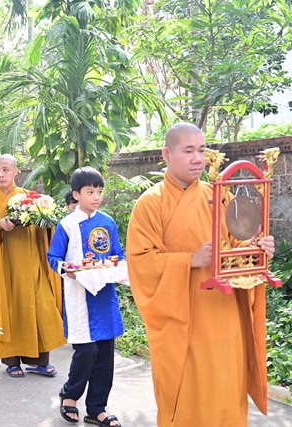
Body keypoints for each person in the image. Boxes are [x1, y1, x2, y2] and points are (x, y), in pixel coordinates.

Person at [126, 122, 275, 426]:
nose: (198, 158)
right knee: (189, 399)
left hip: (225, 319)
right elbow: (140, 263)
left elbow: (239, 247)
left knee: (226, 395)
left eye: (202, 150)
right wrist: (189, 260)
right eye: (188, 151)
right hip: (182, 323)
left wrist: (259, 250)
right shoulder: (150, 204)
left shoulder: (220, 196)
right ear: (167, 154)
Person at [0, 154, 65, 379]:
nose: (0, 174)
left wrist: (45, 222)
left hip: (32, 265)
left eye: (5, 169)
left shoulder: (28, 197)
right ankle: (12, 361)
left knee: (40, 308)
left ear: (16, 172)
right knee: (8, 310)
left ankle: (40, 362)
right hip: (4, 268)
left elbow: (46, 228)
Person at [47, 167, 125, 426]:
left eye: (99, 191)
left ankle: (96, 408)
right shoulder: (67, 224)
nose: (96, 197)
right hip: (79, 295)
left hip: (104, 295)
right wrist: (66, 270)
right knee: (87, 350)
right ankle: (70, 394)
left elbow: (118, 254)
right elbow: (53, 257)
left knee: (105, 353)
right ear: (76, 194)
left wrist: (118, 267)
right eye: (90, 192)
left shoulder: (108, 222)